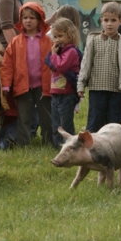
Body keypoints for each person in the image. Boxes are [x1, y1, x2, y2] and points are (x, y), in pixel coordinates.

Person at [77, 2, 121, 133]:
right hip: (96, 89)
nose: (110, 24)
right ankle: (92, 150)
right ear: (101, 20)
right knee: (94, 121)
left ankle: (113, 149)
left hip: (116, 90)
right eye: (106, 20)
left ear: (120, 22)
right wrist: (81, 84)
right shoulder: (93, 40)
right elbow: (85, 64)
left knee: (114, 124)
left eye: (113, 20)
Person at [1, 2, 53, 146]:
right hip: (23, 86)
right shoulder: (15, 42)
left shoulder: (48, 41)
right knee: (23, 117)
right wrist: (6, 85)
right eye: (25, 18)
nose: (28, 21)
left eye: (32, 18)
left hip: (44, 86)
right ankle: (23, 144)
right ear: (21, 20)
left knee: (46, 116)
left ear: (40, 20)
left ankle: (49, 142)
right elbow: (7, 65)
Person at [45, 18, 83, 147]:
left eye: (60, 36)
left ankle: (70, 146)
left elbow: (61, 66)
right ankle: (58, 146)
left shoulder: (71, 51)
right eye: (55, 37)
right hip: (56, 92)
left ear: (70, 34)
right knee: (56, 122)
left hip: (67, 94)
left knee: (65, 123)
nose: (57, 39)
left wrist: (54, 55)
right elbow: (50, 65)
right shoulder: (60, 51)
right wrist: (54, 55)